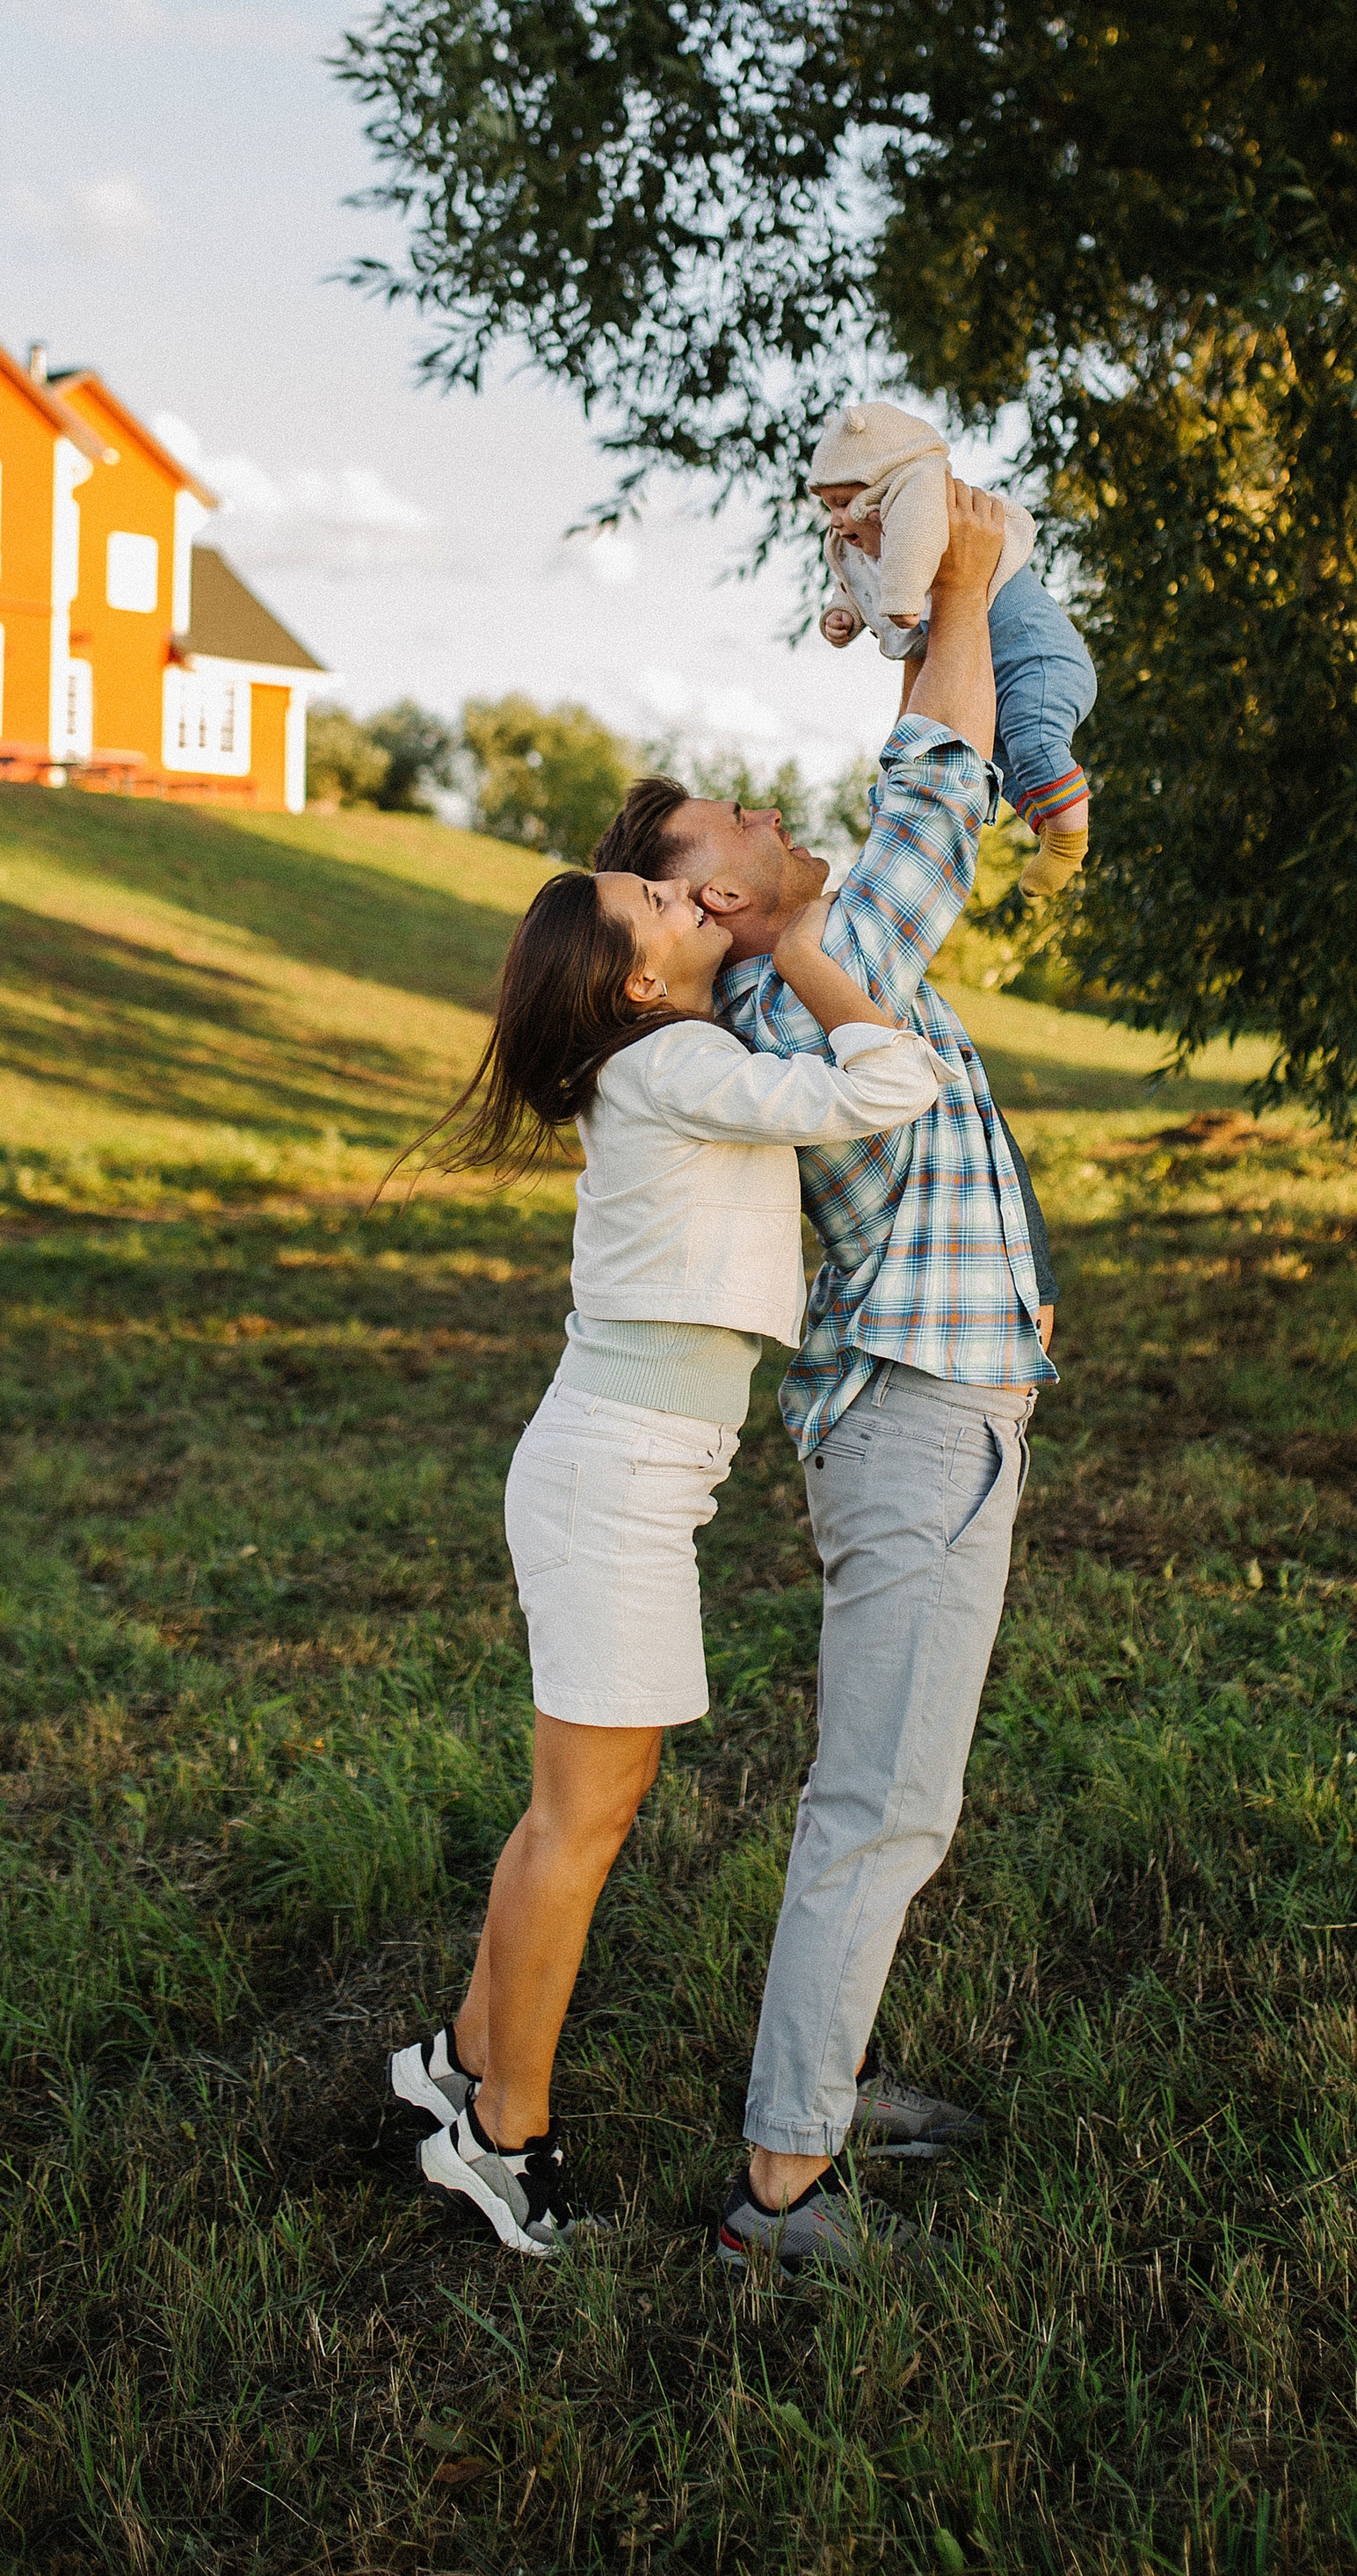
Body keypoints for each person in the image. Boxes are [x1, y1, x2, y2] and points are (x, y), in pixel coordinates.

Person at [591, 478, 1061, 2278]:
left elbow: (910, 776)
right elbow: (934, 783)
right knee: (882, 1805)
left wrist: (941, 597)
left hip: (936, 1406)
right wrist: (962, 572)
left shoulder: (799, 974)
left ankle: (822, 2075)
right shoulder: (805, 981)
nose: (772, 812)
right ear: (710, 891)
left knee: (876, 1798)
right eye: (737, 820)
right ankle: (782, 2183)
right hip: (922, 1421)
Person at [387, 858, 947, 2256]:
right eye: (657, 896)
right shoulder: (679, 1059)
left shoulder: (667, 1063)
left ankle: (458, 2059)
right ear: (640, 983)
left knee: (577, 1814)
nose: (686, 892)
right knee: (578, 1824)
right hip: (613, 1481)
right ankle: (504, 2137)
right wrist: (813, 948)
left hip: (628, 1476)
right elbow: (891, 1086)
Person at [809, 401, 1095, 906]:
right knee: (997, 763)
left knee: (1033, 740)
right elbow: (860, 585)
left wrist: (900, 602)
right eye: (827, 506)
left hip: (1039, 666)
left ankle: (1070, 841)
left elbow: (909, 567)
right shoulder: (865, 546)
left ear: (888, 490)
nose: (837, 521)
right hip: (988, 682)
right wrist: (845, 614)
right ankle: (1049, 824)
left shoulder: (928, 516)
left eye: (845, 503)